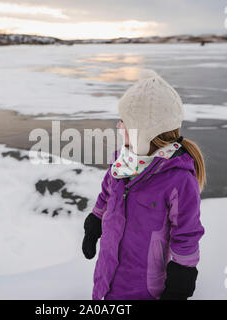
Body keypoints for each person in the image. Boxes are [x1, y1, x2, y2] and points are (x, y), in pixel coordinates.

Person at [82, 69, 205, 300]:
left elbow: (187, 233)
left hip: (143, 288)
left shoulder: (178, 179)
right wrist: (94, 221)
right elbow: (106, 195)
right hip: (106, 277)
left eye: (125, 122)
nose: (119, 127)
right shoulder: (123, 161)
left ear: (147, 132)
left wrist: (182, 275)